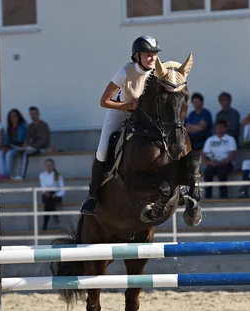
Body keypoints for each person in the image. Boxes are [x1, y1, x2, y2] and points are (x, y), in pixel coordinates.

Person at [80, 35, 161, 215]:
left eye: (154, 53)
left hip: (145, 117)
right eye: (148, 54)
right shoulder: (124, 72)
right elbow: (104, 101)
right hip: (120, 111)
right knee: (102, 150)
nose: (153, 58)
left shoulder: (158, 71)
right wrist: (126, 106)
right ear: (136, 56)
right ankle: (92, 196)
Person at [201, 119, 237, 199]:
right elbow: (204, 156)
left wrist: (222, 162)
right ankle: (208, 196)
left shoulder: (230, 139)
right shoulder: (210, 140)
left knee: (221, 170)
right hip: (213, 163)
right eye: (217, 127)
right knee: (208, 171)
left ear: (225, 128)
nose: (219, 129)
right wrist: (210, 163)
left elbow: (232, 156)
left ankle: (223, 196)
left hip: (226, 163)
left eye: (221, 127)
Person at [0, 109, 28, 180]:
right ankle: (2, 174)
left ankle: (7, 174)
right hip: (10, 146)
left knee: (9, 154)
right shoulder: (9, 127)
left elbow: (20, 140)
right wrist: (5, 146)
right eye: (11, 116)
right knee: (0, 153)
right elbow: (6, 139)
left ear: (18, 117)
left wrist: (9, 147)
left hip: (19, 147)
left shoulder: (22, 126)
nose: (13, 118)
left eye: (15, 116)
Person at [38, 158, 65, 231]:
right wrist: (46, 192)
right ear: (45, 166)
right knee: (48, 199)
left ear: (53, 166)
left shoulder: (58, 175)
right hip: (46, 195)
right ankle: (54, 213)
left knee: (48, 201)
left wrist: (56, 194)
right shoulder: (42, 175)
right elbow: (43, 187)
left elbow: (62, 190)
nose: (49, 167)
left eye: (50, 165)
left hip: (56, 195)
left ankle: (44, 225)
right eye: (47, 165)